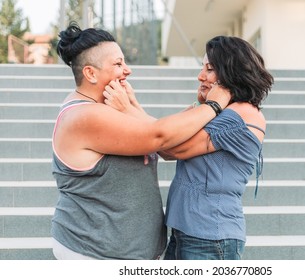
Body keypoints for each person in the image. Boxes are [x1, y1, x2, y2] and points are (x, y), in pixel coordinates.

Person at [50, 22, 231, 260]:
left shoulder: (103, 107)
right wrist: (213, 105)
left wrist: (134, 108)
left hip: (125, 254)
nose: (127, 70)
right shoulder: (85, 115)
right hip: (95, 254)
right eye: (117, 64)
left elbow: (157, 133)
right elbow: (159, 136)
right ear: (90, 73)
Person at [159, 36, 274, 260]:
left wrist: (129, 107)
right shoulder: (218, 111)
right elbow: (165, 142)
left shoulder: (242, 113)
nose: (201, 76)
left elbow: (171, 148)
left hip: (210, 238)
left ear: (232, 73)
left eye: (210, 69)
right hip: (188, 231)